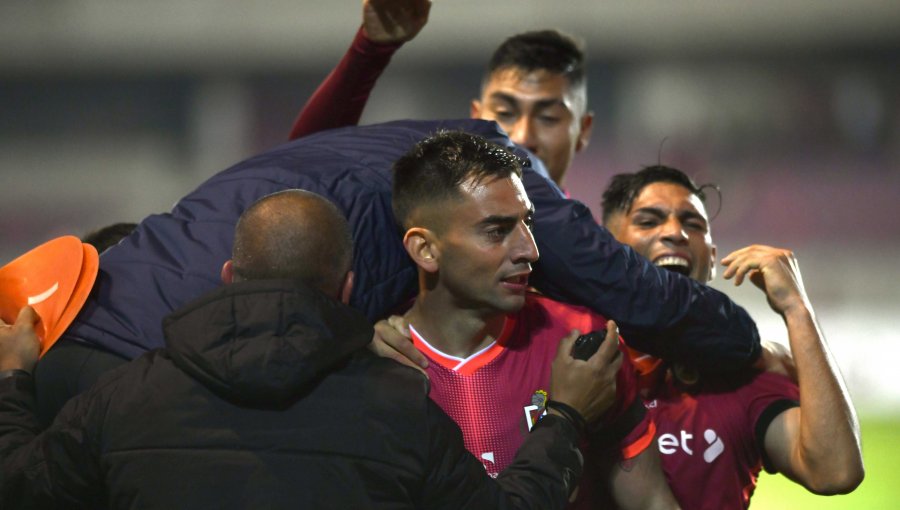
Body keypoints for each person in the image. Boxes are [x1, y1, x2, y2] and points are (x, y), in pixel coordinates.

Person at [41, 118, 759, 424]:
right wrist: (744, 342)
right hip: (152, 380)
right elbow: (621, 284)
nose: (527, 247)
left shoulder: (366, 156)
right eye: (507, 229)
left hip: (61, 341)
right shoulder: (499, 175)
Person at [0, 189, 618, 509]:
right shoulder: (399, 407)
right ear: (348, 289)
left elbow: (19, 489)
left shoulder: (125, 396)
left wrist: (12, 379)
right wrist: (564, 418)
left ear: (226, 276)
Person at [390, 131, 679, 509]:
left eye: (527, 223)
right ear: (425, 249)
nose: (530, 250)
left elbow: (652, 502)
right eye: (496, 231)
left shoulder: (583, 343)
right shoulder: (378, 367)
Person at [600, 165, 864, 508]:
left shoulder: (750, 369)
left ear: (711, 259)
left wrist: (797, 310)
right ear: (606, 251)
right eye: (649, 221)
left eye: (692, 224)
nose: (675, 233)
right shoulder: (572, 353)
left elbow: (835, 471)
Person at [290, 0, 591, 188]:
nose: (523, 137)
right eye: (504, 114)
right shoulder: (417, 237)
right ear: (476, 117)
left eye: (549, 118)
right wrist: (369, 50)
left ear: (583, 131)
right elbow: (303, 164)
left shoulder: (602, 267)